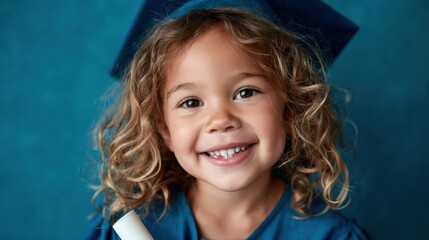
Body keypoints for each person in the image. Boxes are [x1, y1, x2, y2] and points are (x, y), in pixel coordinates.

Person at [83, 2, 369, 239]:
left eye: (246, 92)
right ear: (164, 130)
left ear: (290, 109)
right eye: (191, 102)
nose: (221, 120)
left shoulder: (331, 236)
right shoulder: (128, 230)